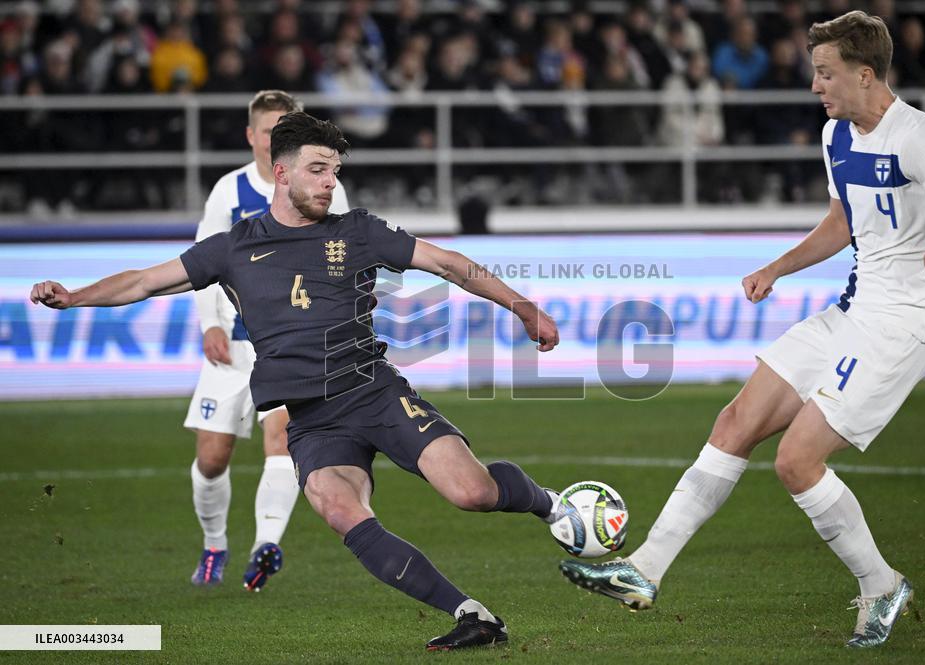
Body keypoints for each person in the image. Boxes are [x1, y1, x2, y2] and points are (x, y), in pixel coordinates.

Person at [30, 111, 562, 651]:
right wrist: (74, 297)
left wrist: (522, 307)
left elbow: (447, 263)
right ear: (281, 174)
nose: (330, 182)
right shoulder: (234, 246)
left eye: (333, 170)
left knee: (472, 493)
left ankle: (552, 505)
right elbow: (144, 281)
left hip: (374, 392)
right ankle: (472, 614)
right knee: (339, 509)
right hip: (311, 419)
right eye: (318, 169)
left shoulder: (359, 231)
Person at [559, 10, 925, 649]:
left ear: (865, 73)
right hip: (850, 312)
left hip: (899, 326)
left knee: (796, 461)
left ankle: (881, 585)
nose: (816, 86)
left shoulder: (917, 137)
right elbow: (843, 223)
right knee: (735, 423)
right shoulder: (837, 136)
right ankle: (643, 569)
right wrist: (778, 267)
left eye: (826, 73)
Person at [185, 90, 350, 592]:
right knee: (212, 459)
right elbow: (200, 259)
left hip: (289, 346)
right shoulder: (228, 191)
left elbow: (341, 260)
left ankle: (265, 546)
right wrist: (209, 323)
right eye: (269, 129)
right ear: (253, 137)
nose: (277, 136)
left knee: (280, 439)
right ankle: (215, 545)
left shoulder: (327, 188)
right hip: (231, 346)